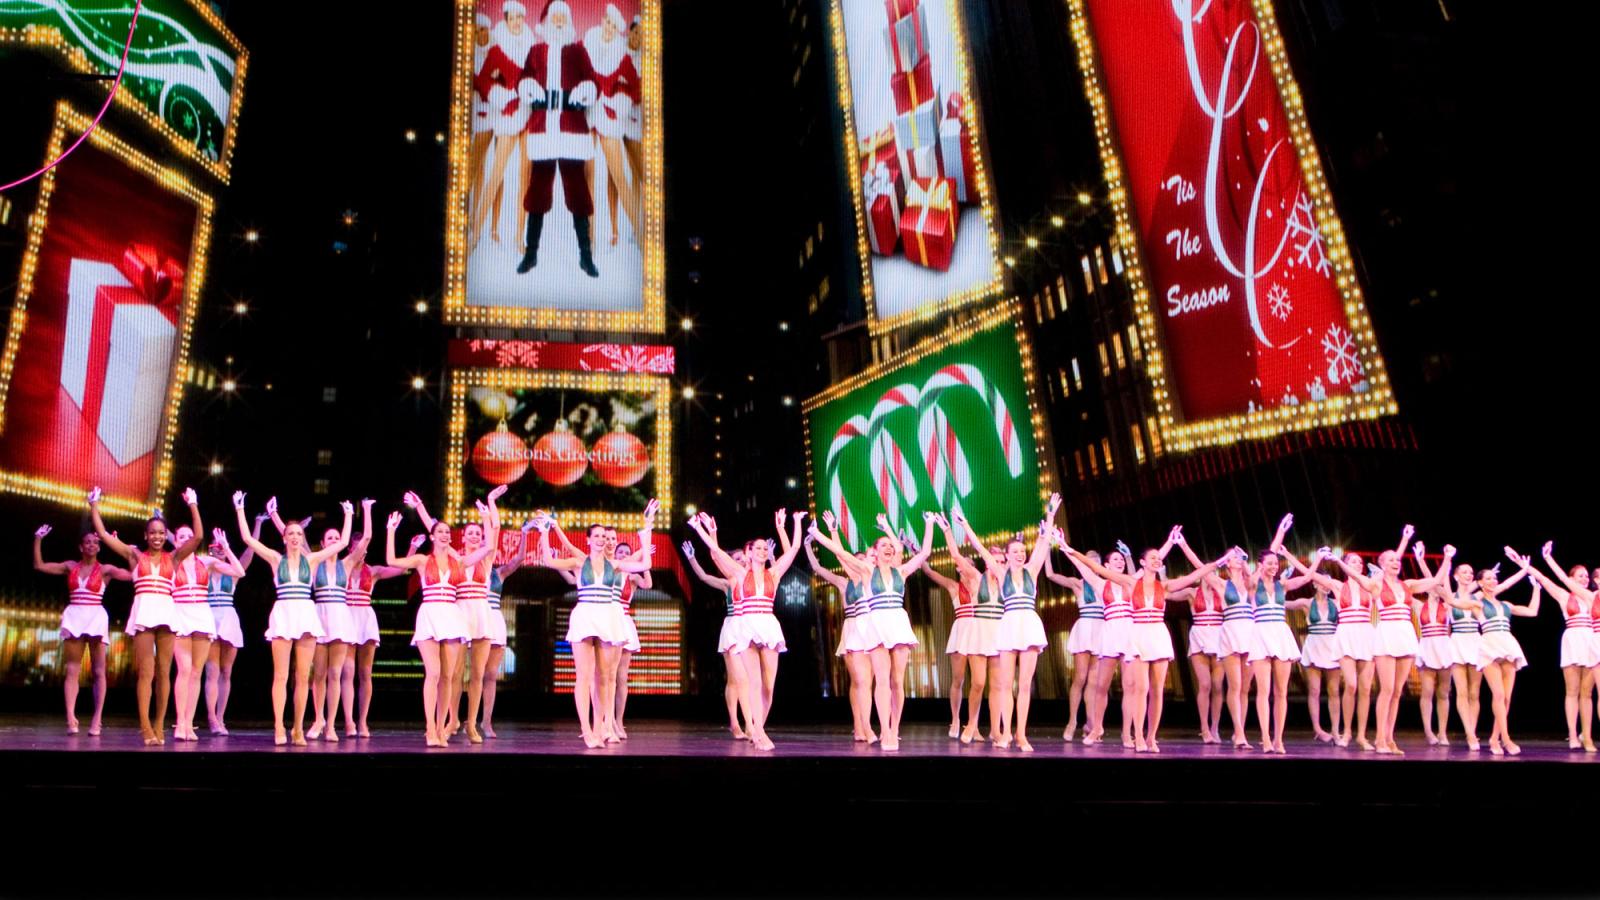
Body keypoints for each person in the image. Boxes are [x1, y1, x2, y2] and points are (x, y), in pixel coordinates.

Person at [1066, 526, 1227, 752]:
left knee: (1144, 689)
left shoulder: (1158, 583)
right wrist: (1067, 549)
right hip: (1121, 634)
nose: (1120, 562)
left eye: (1123, 559)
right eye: (1116, 559)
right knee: (1107, 686)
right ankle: (1099, 728)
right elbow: (1090, 568)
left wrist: (1218, 558)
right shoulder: (1118, 582)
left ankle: (1140, 735)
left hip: (1147, 633)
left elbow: (1193, 574)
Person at [809, 509, 937, 751]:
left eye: (891, 546)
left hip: (898, 624)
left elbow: (926, 552)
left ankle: (895, 728)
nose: (889, 548)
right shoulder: (867, 571)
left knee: (897, 681)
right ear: (875, 553)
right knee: (882, 681)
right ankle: (885, 731)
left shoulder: (902, 571)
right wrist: (819, 534)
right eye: (883, 546)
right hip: (877, 625)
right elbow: (841, 553)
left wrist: (929, 524)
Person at [89, 485, 203, 746]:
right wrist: (94, 506)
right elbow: (105, 535)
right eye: (152, 533)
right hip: (143, 614)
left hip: (166, 614)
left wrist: (193, 503)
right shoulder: (134, 556)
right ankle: (145, 727)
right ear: (145, 535)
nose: (157, 537)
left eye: (161, 533)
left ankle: (160, 726)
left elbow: (197, 537)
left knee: (165, 672)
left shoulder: (173, 558)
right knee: (146, 673)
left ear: (166, 536)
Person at [539, 503, 659, 748]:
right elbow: (549, 561)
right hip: (585, 615)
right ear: (588, 540)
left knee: (604, 677)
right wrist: (544, 531)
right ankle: (587, 731)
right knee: (583, 676)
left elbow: (645, 563)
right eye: (597, 536)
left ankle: (600, 727)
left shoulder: (614, 565)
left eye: (604, 537)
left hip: (607, 618)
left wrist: (647, 527)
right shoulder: (578, 561)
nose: (602, 540)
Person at [1331, 528, 1451, 755]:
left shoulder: (1410, 584)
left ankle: (1389, 737)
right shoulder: (1376, 585)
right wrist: (1338, 560)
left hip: (1405, 635)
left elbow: (1436, 580)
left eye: (1397, 560)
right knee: (1386, 689)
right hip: (1386, 635)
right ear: (1382, 564)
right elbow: (1356, 576)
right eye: (1390, 560)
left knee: (1397, 691)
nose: (1396, 562)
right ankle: (1379, 740)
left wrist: (1447, 558)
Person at [514, 0, 601, 278]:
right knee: (537, 192)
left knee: (577, 193)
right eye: (556, 16)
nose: (560, 20)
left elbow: (593, 81)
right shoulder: (536, 51)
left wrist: (586, 90)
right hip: (543, 129)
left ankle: (585, 256)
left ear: (569, 20)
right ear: (548, 20)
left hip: (571, 130)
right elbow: (524, 78)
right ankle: (531, 253)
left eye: (564, 16)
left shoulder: (577, 50)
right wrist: (527, 87)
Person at [33, 524, 132, 735]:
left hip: (95, 617)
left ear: (99, 547)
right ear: (80, 547)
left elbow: (135, 574)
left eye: (96, 542)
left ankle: (97, 720)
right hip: (75, 616)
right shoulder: (70, 566)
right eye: (87, 542)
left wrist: (118, 545)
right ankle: (70, 718)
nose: (92, 545)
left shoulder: (106, 570)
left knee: (98, 671)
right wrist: (38, 539)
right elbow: (39, 565)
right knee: (72, 670)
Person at [1518, 541, 1600, 752]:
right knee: (1572, 691)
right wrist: (1528, 566)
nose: (1585, 579)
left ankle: (1587, 736)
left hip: (1592, 642)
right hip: (1573, 641)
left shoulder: (1593, 598)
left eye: (1586, 576)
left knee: (1587, 693)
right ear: (1572, 578)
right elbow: (1545, 579)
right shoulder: (1565, 596)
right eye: (1580, 576)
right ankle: (1573, 735)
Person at [921, 514, 996, 742]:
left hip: (979, 631)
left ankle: (974, 725)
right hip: (960, 633)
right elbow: (930, 573)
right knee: (958, 679)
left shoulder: (981, 582)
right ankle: (955, 718)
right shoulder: (953, 587)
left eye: (967, 565)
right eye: (960, 566)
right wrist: (918, 554)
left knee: (979, 682)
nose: (962, 568)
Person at [472, 0, 536, 249]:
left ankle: (520, 237)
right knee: (496, 172)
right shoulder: (497, 50)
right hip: (509, 116)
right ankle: (476, 232)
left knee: (526, 179)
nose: (517, 22)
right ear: (506, 22)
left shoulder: (533, 48)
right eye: (512, 19)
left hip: (530, 116)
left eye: (520, 17)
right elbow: (483, 82)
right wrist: (504, 98)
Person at [807, 532, 880, 742]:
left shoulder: (874, 578)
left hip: (872, 627)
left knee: (867, 682)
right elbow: (822, 567)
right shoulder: (844, 581)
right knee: (859, 681)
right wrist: (809, 548)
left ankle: (863, 726)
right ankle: (862, 726)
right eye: (855, 560)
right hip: (853, 628)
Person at [582, 3, 641, 248]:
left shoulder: (622, 55)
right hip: (586, 116)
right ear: (602, 21)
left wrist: (619, 101)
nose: (608, 27)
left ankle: (641, 231)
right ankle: (590, 237)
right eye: (606, 22)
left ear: (618, 30)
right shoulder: (588, 44)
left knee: (619, 177)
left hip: (607, 117)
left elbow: (635, 88)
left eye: (613, 26)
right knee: (588, 177)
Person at [683, 540, 754, 739]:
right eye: (737, 559)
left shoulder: (754, 580)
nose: (741, 561)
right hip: (733, 630)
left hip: (750, 629)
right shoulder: (727, 584)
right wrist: (692, 558)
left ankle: (747, 722)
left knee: (746, 679)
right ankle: (737, 723)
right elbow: (704, 577)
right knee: (736, 680)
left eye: (743, 558)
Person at [205, 517, 265, 735]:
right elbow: (182, 548)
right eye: (215, 546)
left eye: (223, 546)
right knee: (211, 670)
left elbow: (251, 548)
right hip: (209, 617)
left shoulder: (234, 570)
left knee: (226, 671)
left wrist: (258, 523)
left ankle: (221, 717)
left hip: (228, 618)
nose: (219, 549)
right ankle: (211, 718)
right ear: (210, 549)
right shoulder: (204, 568)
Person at [1044, 549, 1103, 742]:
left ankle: (1091, 723)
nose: (1092, 564)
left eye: (1096, 562)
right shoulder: (1078, 583)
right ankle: (1072, 721)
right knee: (1080, 677)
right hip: (1085, 629)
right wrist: (1045, 550)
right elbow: (1051, 574)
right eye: (1089, 561)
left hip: (1102, 630)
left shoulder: (1107, 585)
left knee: (1094, 683)